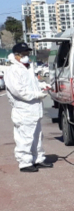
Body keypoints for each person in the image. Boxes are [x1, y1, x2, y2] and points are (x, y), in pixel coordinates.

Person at [5, 43, 52, 172]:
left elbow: (34, 83)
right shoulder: (13, 70)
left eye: (27, 54)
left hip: (34, 108)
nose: (26, 56)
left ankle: (38, 158)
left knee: (37, 136)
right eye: (24, 54)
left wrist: (42, 86)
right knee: (25, 137)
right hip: (23, 109)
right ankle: (25, 163)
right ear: (16, 56)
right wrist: (37, 94)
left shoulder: (28, 68)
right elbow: (18, 91)